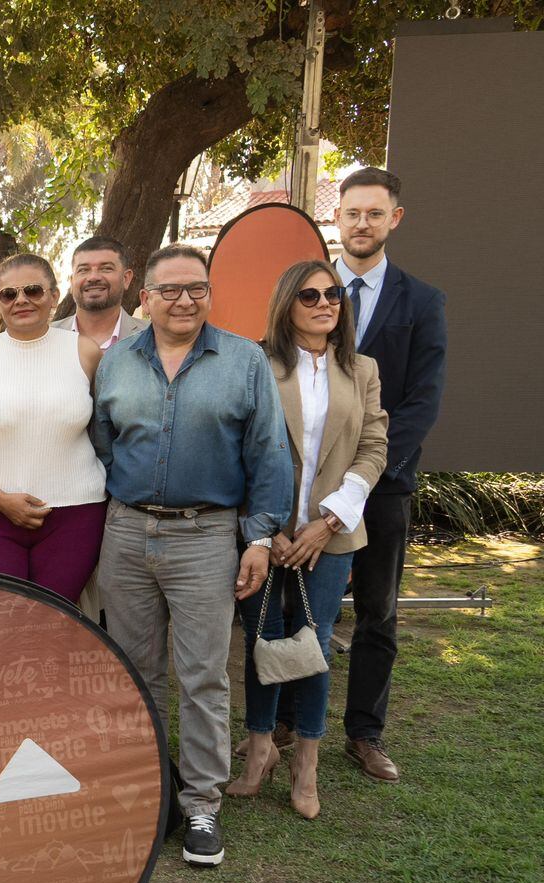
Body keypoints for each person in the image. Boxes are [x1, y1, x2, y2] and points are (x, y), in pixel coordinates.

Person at [90, 243, 292, 868]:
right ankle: (156, 794)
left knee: (202, 675)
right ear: (143, 296)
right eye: (170, 290)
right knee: (137, 670)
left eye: (196, 289)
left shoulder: (244, 360)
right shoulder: (115, 361)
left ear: (209, 293)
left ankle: (202, 802)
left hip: (206, 536)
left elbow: (270, 456)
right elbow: (102, 444)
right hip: (125, 535)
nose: (184, 300)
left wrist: (258, 538)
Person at [228, 261, 387, 819]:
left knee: (314, 649)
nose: (325, 303)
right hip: (263, 535)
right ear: (286, 304)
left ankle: (307, 764)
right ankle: (260, 753)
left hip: (330, 534)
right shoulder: (256, 362)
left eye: (334, 293)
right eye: (310, 294)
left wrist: (330, 520)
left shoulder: (361, 368)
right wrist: (266, 531)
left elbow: (374, 447)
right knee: (262, 644)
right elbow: (239, 448)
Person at [327, 167, 446, 783]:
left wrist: (365, 475)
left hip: (381, 487)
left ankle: (364, 734)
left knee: (377, 610)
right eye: (353, 212)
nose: (362, 223)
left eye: (375, 213)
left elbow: (423, 401)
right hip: (308, 485)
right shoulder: (308, 292)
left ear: (394, 219)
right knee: (301, 607)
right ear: (338, 217)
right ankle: (291, 722)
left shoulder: (422, 302)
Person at [0, 254, 104, 599]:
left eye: (33, 290)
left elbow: (104, 431)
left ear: (54, 295)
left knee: (55, 622)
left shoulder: (85, 352)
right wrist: (1, 500)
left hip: (75, 516)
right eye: (9, 294)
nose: (22, 301)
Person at [52, 236, 146, 351]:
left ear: (126, 279)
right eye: (83, 270)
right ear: (72, 282)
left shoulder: (152, 337)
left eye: (106, 268)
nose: (93, 277)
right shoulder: (45, 338)